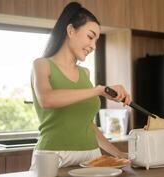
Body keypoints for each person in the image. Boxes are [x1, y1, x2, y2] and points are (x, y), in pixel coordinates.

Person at [30, 2, 131, 168]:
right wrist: (97, 90)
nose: (93, 46)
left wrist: (118, 154)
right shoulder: (41, 65)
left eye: (96, 40)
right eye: (90, 37)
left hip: (91, 156)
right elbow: (47, 99)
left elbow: (87, 124)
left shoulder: (85, 73)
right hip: (53, 157)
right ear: (71, 30)